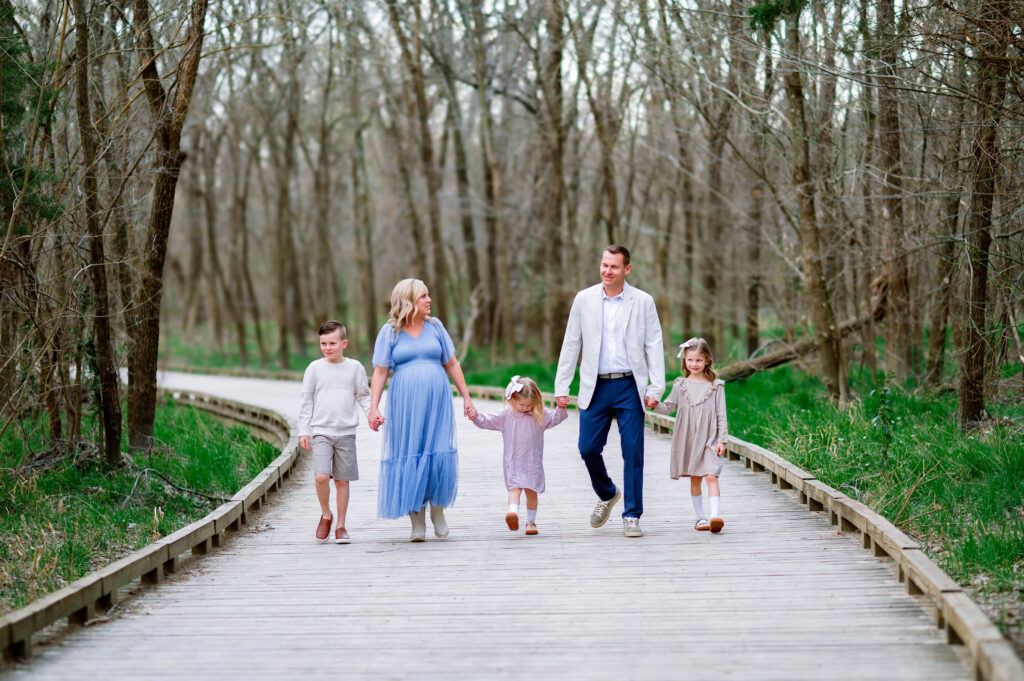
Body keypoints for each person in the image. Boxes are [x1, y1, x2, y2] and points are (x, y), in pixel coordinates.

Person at [555, 245, 665, 538]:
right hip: (595, 385)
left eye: (614, 267)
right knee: (587, 448)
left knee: (633, 451)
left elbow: (654, 345)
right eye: (604, 265)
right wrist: (562, 386)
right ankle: (607, 493)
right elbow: (571, 343)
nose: (607, 271)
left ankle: (632, 515)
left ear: (626, 269)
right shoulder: (584, 300)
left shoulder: (642, 301)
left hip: (630, 385)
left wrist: (656, 387)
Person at [368, 279, 476, 542]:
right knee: (410, 454)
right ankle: (417, 519)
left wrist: (466, 397)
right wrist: (373, 407)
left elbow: (451, 363)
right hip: (405, 404)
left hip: (437, 401)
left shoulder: (436, 327)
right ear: (408, 301)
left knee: (438, 452)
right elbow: (380, 371)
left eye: (428, 295)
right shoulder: (390, 332)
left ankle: (437, 511)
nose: (429, 300)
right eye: (423, 296)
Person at [466, 376, 568, 536]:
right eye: (522, 404)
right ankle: (512, 513)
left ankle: (531, 522)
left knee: (531, 491)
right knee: (515, 489)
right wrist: (475, 416)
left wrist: (561, 408)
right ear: (512, 399)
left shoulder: (539, 414)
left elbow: (555, 419)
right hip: (513, 461)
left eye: (529, 404)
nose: (526, 408)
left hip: (532, 462)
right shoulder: (506, 415)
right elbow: (486, 420)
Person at [298, 321, 370, 544]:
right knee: (321, 476)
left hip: (346, 432)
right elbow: (306, 401)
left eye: (332, 343)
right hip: (321, 431)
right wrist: (304, 430)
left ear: (344, 343)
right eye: (323, 343)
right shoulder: (314, 369)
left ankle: (341, 525)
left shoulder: (355, 368)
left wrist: (372, 414)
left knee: (341, 481)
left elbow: (363, 396)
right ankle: (326, 514)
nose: (327, 347)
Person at [652, 337, 728, 533]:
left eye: (699, 360)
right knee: (696, 478)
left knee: (711, 475)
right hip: (689, 438)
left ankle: (715, 517)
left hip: (710, 438)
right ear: (684, 361)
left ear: (707, 361)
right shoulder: (680, 385)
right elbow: (669, 407)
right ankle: (700, 517)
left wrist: (722, 440)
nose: (694, 364)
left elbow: (721, 415)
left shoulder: (716, 386)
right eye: (690, 360)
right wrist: (654, 405)